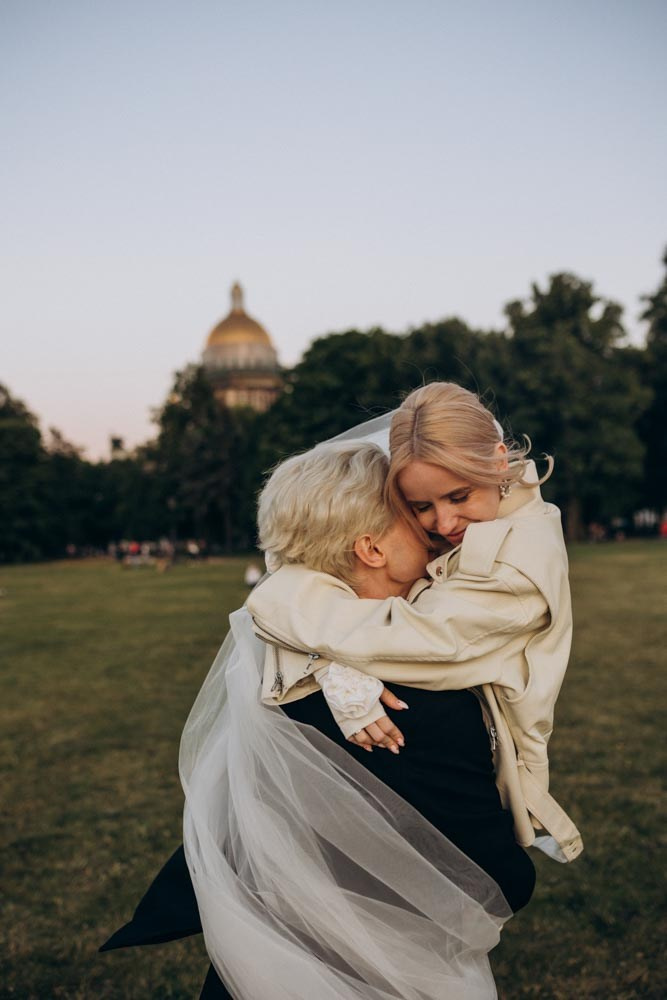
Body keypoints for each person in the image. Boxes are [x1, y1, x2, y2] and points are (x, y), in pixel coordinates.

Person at [248, 382, 582, 864]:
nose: (443, 524)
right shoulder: (484, 514)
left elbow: (410, 643)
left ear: (496, 459)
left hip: (491, 771)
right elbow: (332, 590)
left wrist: (323, 657)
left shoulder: (517, 568)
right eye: (420, 507)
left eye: (457, 496)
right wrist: (331, 666)